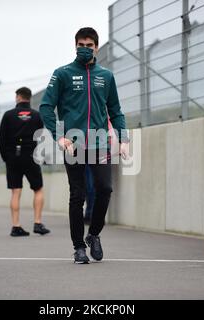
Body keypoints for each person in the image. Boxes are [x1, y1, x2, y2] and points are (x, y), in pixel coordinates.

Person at [40, 27, 129, 264]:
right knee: (77, 195)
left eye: (90, 45)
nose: (85, 49)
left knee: (105, 189)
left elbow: (116, 111)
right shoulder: (62, 74)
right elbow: (46, 107)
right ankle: (78, 247)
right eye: (81, 44)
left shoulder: (106, 76)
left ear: (97, 47)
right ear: (75, 46)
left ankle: (94, 235)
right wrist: (60, 136)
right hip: (73, 145)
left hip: (100, 143)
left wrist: (123, 139)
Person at [0, 87, 50, 237]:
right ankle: (38, 223)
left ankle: (16, 226)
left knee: (16, 191)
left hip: (12, 156)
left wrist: (6, 158)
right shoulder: (36, 115)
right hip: (31, 155)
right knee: (38, 189)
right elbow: (42, 137)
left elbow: (2, 139)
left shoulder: (8, 115)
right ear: (29, 98)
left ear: (18, 97)